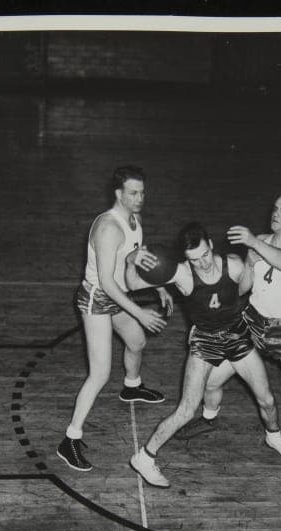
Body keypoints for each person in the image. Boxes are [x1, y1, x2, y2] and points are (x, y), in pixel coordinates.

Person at [126, 223, 281, 487]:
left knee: (266, 399)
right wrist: (131, 260)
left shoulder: (231, 263)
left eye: (205, 255)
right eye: (194, 260)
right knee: (186, 410)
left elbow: (241, 289)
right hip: (205, 341)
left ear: (211, 244)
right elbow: (132, 283)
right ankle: (144, 457)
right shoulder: (182, 274)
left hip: (237, 334)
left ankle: (274, 437)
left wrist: (252, 265)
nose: (202, 263)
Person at [176, 191, 281, 480]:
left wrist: (253, 242)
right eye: (275, 208)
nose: (276, 213)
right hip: (252, 322)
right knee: (211, 382)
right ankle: (209, 419)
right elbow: (242, 289)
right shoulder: (258, 243)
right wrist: (242, 268)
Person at [57, 165, 173, 472]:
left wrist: (159, 286)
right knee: (99, 374)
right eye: (133, 193)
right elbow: (107, 283)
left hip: (118, 295)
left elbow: (133, 266)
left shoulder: (134, 221)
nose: (139, 198)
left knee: (137, 341)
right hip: (97, 299)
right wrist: (138, 311)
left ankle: (132, 386)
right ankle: (69, 440)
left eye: (142, 192)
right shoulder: (109, 228)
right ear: (118, 193)